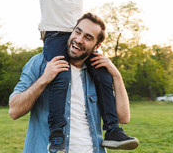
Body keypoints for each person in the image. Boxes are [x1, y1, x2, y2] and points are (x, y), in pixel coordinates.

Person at [20, 0, 137, 152]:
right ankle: (56, 136)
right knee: (60, 78)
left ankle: (112, 129)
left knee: (103, 74)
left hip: (78, 38)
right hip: (55, 38)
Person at [9, 13, 139, 153]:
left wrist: (117, 76)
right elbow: (14, 111)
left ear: (97, 46)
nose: (79, 39)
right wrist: (44, 79)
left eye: (88, 38)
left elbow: (124, 117)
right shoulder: (40, 63)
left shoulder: (98, 75)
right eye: (77, 32)